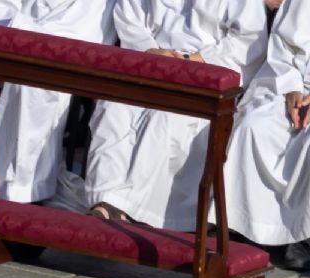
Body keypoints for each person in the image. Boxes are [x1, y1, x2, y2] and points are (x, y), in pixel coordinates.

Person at [84, 0, 267, 229]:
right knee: (114, 108)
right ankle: (105, 200)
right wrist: (150, 50)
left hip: (207, 73)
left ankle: (136, 210)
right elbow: (130, 16)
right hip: (150, 65)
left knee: (165, 116)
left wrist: (199, 60)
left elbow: (249, 41)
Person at [0, 0, 116, 196]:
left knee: (32, 86)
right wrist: (11, 26)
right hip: (9, 29)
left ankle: (18, 189)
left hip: (56, 40)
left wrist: (24, 30)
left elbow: (82, 28)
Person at [221, 0, 310, 269]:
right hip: (288, 85)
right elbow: (282, 47)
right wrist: (292, 89)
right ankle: (242, 224)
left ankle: (304, 235)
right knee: (252, 126)